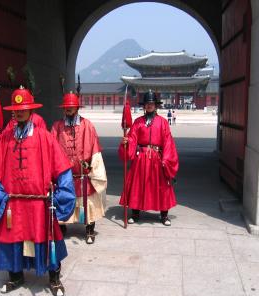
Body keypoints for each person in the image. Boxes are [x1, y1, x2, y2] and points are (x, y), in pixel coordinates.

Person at [0, 86, 76, 296]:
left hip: (40, 203)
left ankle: (54, 278)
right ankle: (15, 276)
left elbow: (61, 167)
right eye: (16, 110)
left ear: (31, 110)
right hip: (13, 203)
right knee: (11, 239)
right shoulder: (7, 139)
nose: (19, 113)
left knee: (48, 237)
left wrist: (62, 194)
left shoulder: (44, 137)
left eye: (23, 109)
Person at [51, 92, 107, 244]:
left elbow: (95, 147)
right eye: (66, 107)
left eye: (71, 107)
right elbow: (51, 149)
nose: (68, 109)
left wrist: (92, 166)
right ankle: (62, 227)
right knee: (61, 201)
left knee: (87, 202)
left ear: (77, 107)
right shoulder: (57, 126)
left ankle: (89, 229)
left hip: (83, 174)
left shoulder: (87, 125)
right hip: (64, 175)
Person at [119, 90, 179, 226]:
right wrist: (127, 142)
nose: (149, 106)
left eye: (152, 103)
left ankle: (164, 215)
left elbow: (168, 141)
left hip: (158, 158)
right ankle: (135, 213)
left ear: (156, 105)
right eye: (147, 103)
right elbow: (133, 138)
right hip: (141, 158)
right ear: (144, 106)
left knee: (161, 185)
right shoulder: (138, 122)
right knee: (137, 185)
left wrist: (166, 159)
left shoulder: (163, 122)